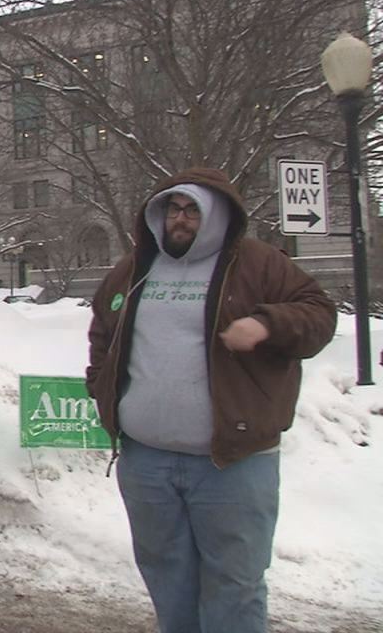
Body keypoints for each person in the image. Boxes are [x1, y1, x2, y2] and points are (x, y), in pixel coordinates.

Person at [86, 168, 336, 633]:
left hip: (232, 463)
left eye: (192, 210)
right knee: (166, 576)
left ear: (217, 214)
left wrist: (267, 325)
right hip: (147, 461)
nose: (180, 220)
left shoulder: (259, 264)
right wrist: (99, 383)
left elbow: (319, 314)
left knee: (234, 584)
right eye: (172, 210)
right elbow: (104, 327)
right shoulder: (137, 265)